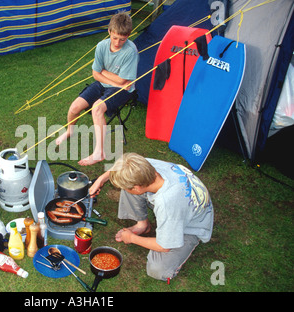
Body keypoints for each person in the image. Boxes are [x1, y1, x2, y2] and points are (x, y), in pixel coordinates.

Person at [89, 153, 214, 281]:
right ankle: (142, 225)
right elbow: (122, 166)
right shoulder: (144, 166)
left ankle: (190, 242)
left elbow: (164, 246)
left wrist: (132, 238)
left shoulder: (166, 203)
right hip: (180, 203)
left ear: (137, 188)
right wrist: (100, 179)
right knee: (127, 188)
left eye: (130, 188)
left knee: (157, 269)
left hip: (191, 225)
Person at [56, 12, 139, 166]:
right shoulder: (101, 46)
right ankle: (69, 131)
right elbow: (95, 74)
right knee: (75, 107)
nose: (117, 42)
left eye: (122, 39)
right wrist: (115, 80)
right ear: (109, 31)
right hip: (107, 84)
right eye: (115, 38)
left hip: (124, 90)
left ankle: (99, 152)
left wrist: (106, 74)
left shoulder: (130, 51)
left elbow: (122, 80)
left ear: (128, 35)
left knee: (97, 108)